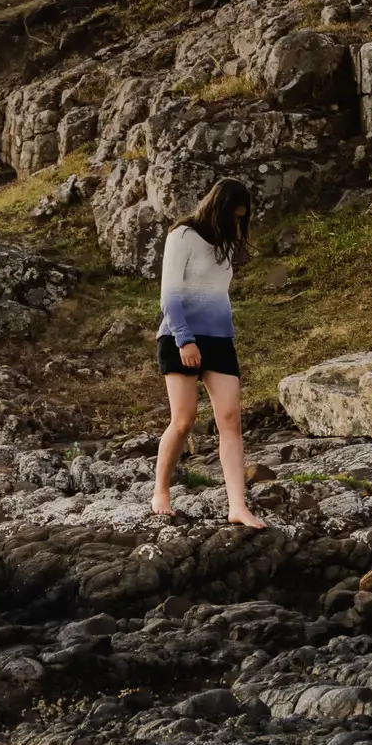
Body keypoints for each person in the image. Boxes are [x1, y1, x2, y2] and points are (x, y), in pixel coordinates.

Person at [153, 179, 264, 528]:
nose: (237, 223)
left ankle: (238, 506)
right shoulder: (182, 235)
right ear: (217, 207)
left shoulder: (227, 244)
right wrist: (185, 340)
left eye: (242, 218)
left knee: (230, 420)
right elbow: (168, 295)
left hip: (219, 339)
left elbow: (218, 294)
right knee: (183, 420)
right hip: (179, 336)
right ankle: (161, 492)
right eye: (234, 215)